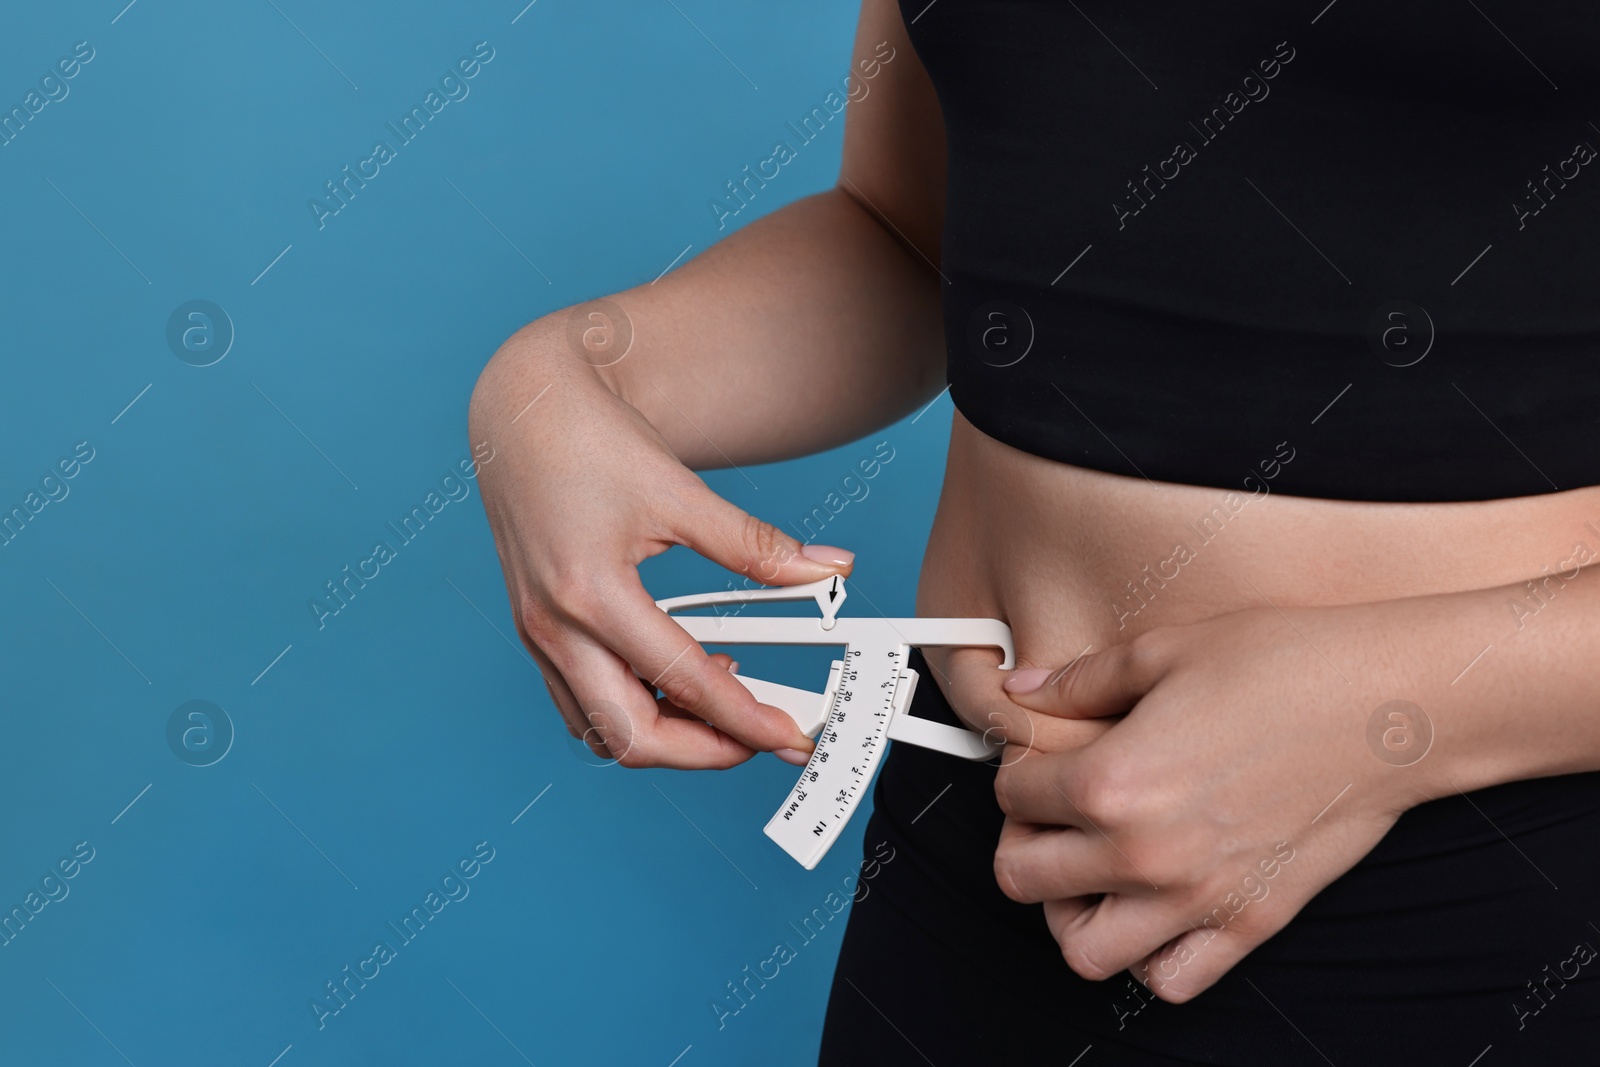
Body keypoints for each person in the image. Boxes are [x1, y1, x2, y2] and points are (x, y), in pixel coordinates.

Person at [469, 0, 1600, 1061]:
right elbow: (909, 237)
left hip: (1503, 881)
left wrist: (1397, 711)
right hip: (980, 848)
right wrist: (566, 378)